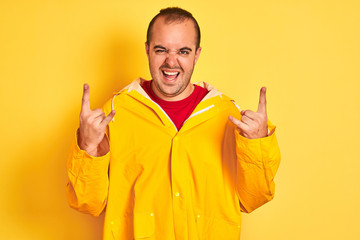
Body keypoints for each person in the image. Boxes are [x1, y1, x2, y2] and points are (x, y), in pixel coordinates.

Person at [66, 7, 280, 240]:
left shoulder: (228, 116)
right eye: (161, 50)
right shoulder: (115, 113)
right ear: (147, 50)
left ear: (196, 54)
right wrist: (87, 146)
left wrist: (257, 145)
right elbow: (88, 203)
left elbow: (254, 199)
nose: (171, 61)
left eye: (183, 51)